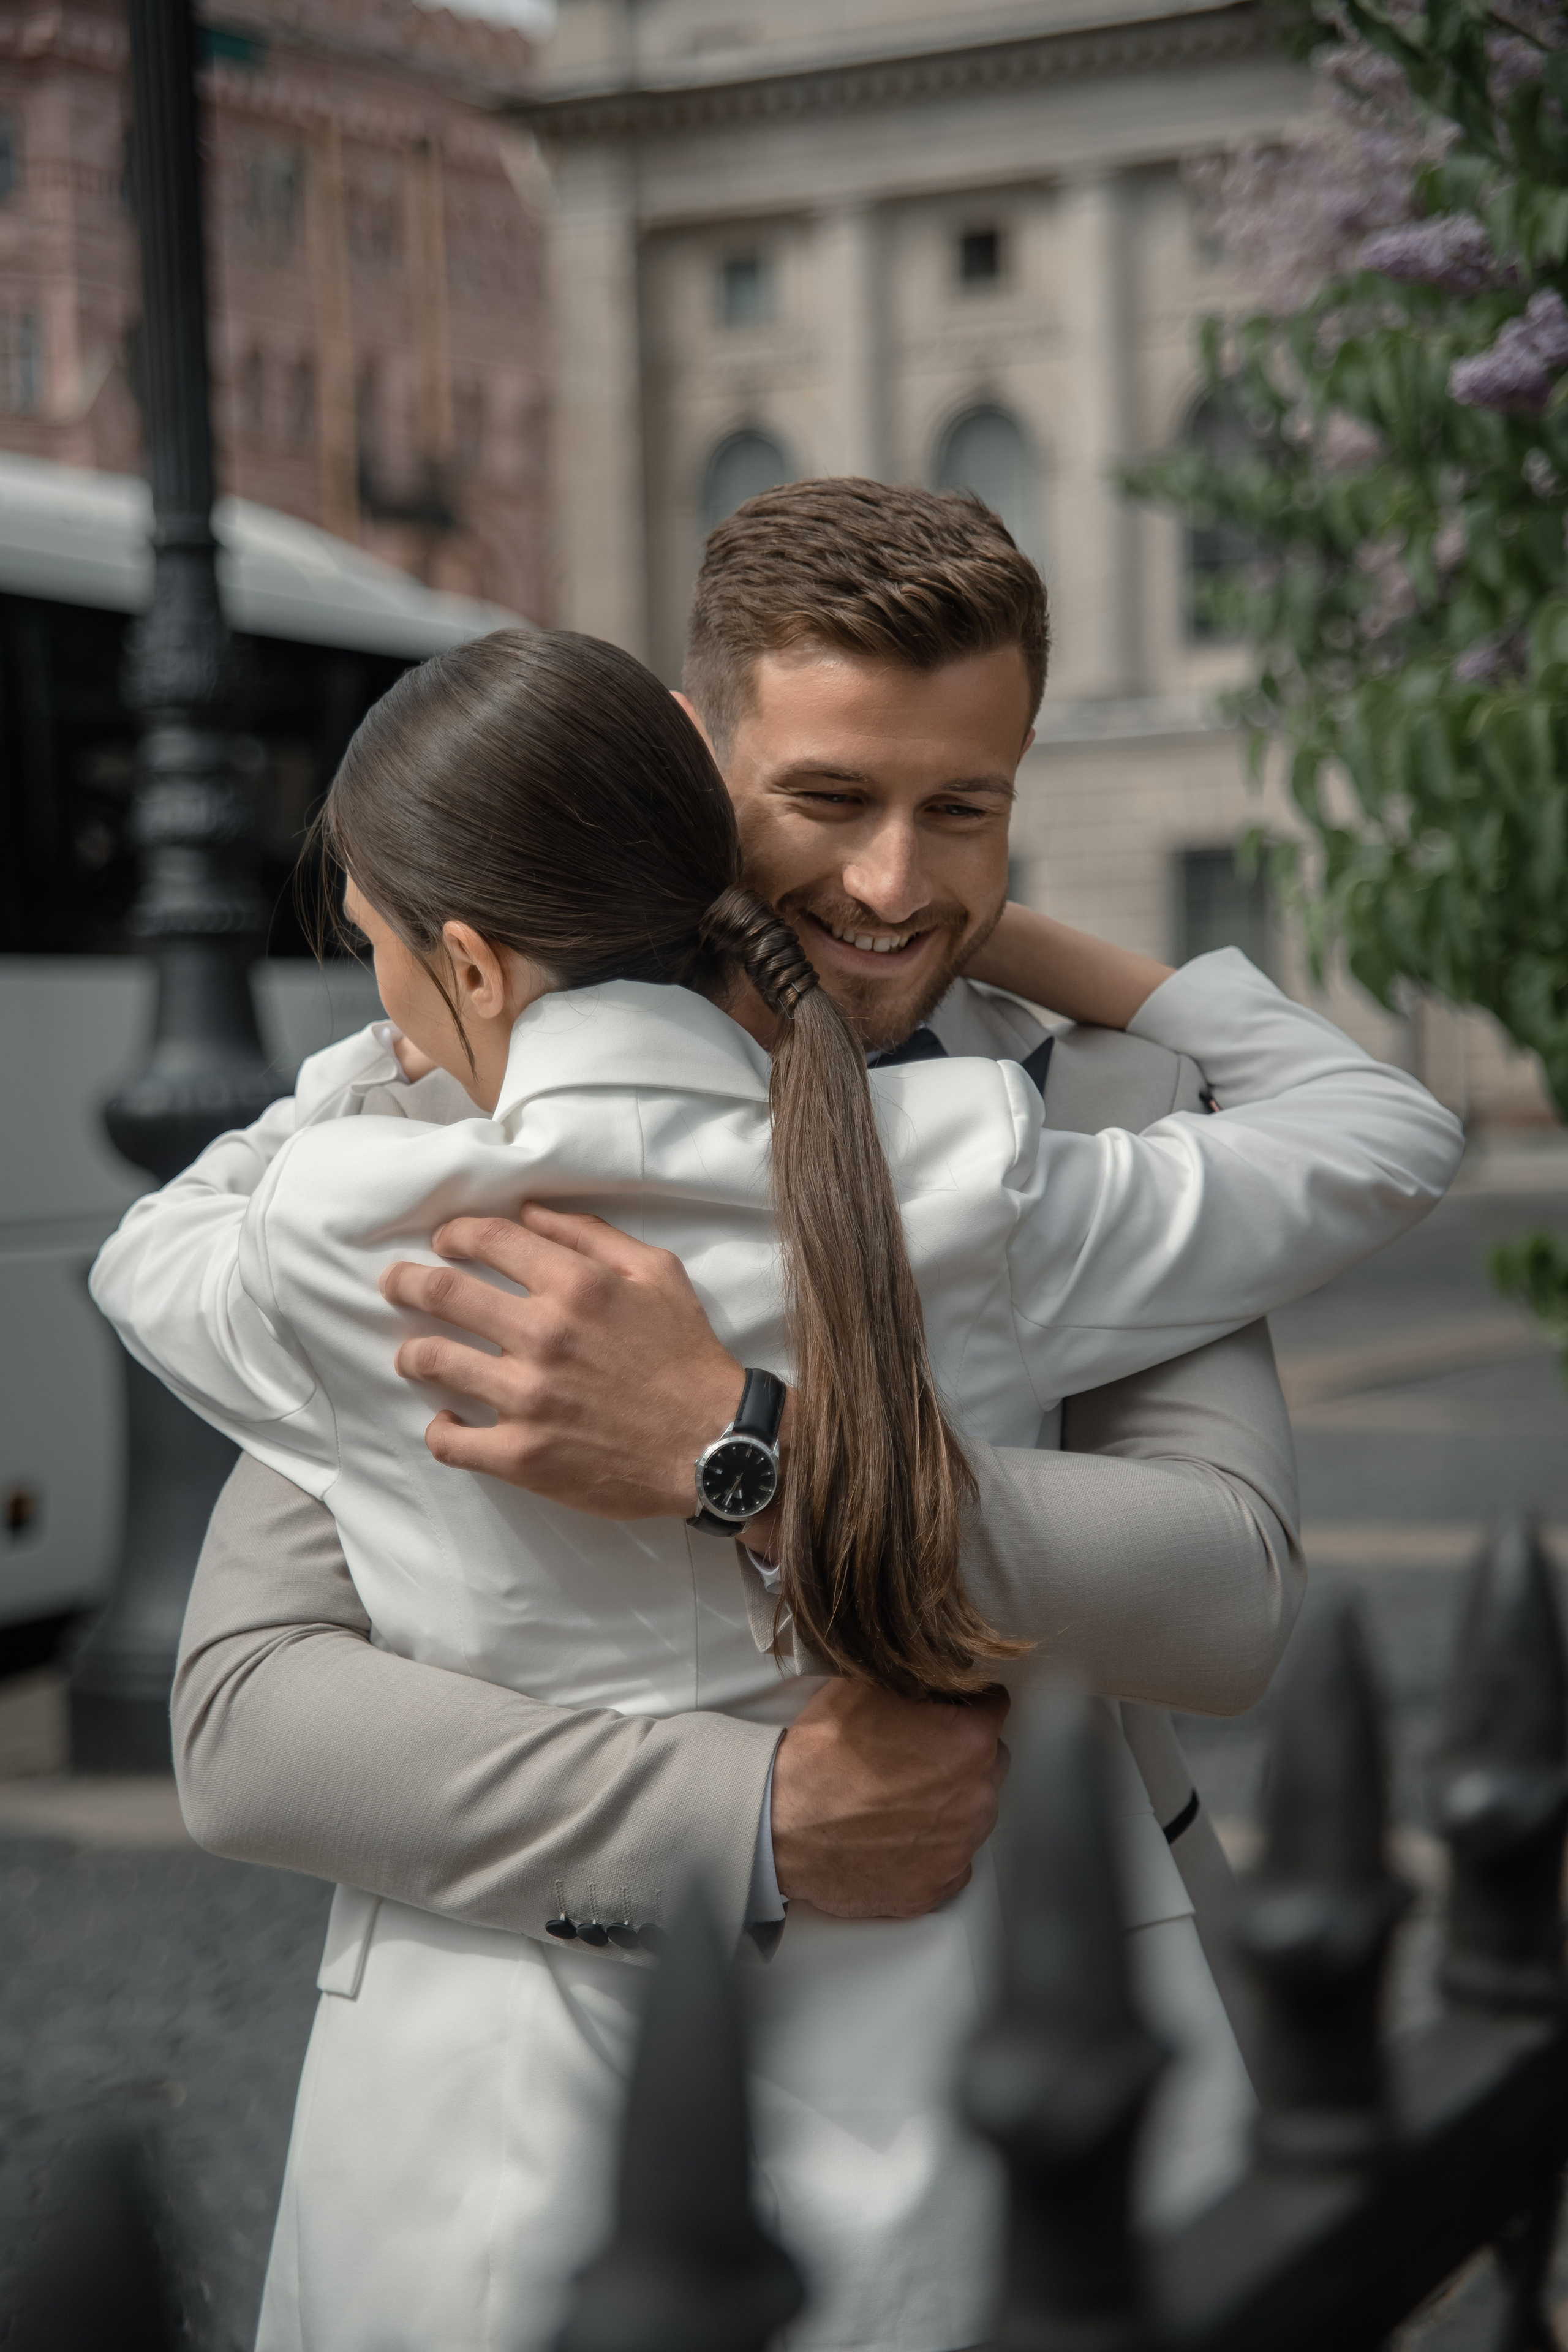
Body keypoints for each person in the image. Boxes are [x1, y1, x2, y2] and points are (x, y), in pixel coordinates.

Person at [92, 617, 1460, 2352]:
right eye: (825, 799)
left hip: (981, 2026)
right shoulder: (989, 1168)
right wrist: (756, 1817)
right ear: (699, 775)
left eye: (965, 811)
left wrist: (745, 1444)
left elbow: (1230, 1598)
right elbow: (252, 1713)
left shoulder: (355, 1216)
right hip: (556, 2051)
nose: (891, 880)